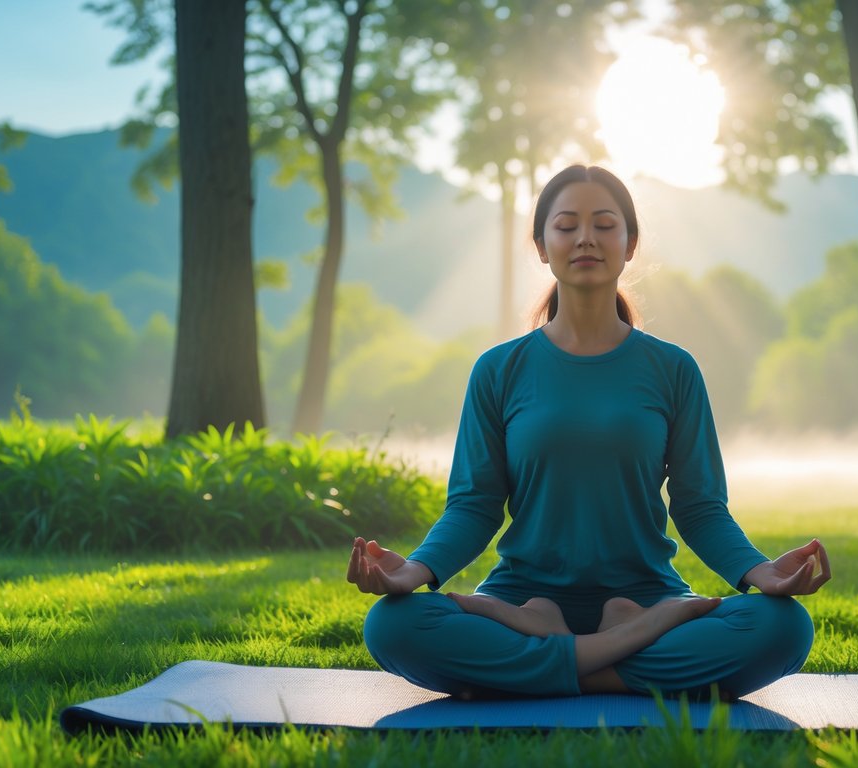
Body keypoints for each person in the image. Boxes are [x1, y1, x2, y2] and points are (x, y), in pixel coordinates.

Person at [347, 164, 831, 700]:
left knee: (783, 627)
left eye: (604, 224)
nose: (585, 238)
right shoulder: (498, 370)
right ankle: (630, 653)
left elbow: (699, 507)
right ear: (541, 245)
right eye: (566, 225)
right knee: (391, 625)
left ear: (629, 246)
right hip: (523, 599)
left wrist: (760, 574)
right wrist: (413, 573)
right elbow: (474, 506)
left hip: (646, 594)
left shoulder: (673, 369)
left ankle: (563, 659)